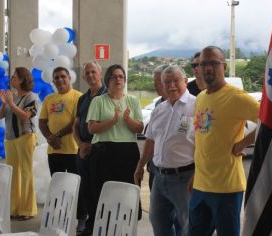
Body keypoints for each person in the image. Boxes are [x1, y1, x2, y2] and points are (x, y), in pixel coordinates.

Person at [189, 46, 260, 236]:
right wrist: (195, 175)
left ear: (224, 66)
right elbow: (203, 140)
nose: (208, 68)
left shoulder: (236, 97)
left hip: (227, 188)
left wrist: (243, 143)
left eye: (214, 63)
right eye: (203, 64)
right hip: (200, 185)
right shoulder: (201, 98)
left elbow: (269, 121)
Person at [134, 65, 195, 236]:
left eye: (176, 80)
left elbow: (205, 144)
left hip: (185, 178)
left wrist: (198, 174)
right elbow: (151, 139)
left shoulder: (197, 106)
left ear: (185, 81)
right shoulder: (159, 109)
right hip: (159, 178)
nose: (172, 85)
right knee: (158, 221)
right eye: (167, 82)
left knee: (188, 225)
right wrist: (140, 165)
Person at [87, 64, 144, 223]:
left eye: (121, 76)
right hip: (104, 153)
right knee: (105, 195)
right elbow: (91, 128)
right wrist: (112, 121)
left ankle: (126, 228)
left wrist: (127, 119)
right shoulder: (98, 101)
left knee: (128, 193)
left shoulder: (132, 100)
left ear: (125, 80)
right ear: (107, 80)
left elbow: (140, 128)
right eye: (114, 76)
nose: (118, 79)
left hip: (128, 152)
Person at [0, 67, 38, 221]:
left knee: (26, 173)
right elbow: (0, 115)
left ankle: (28, 209)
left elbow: (25, 117)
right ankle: (14, 208)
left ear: (22, 79)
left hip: (25, 137)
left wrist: (11, 104)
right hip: (10, 139)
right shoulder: (11, 97)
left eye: (14, 77)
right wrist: (3, 104)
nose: (11, 79)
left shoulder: (30, 97)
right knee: (13, 174)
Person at [73, 61, 106, 235]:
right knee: (85, 190)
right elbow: (75, 125)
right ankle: (88, 225)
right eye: (87, 73)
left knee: (98, 191)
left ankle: (98, 227)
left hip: (100, 152)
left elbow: (109, 125)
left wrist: (90, 145)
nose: (91, 75)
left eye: (94, 72)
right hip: (83, 151)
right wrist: (80, 144)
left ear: (100, 74)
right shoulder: (82, 98)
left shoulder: (108, 95)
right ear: (84, 77)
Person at [39, 67, 82, 175]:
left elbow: (76, 121)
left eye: (63, 76)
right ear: (53, 81)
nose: (59, 79)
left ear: (69, 78)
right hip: (54, 150)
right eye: (56, 78)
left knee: (75, 185)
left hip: (73, 151)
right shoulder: (48, 99)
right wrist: (50, 138)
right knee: (57, 185)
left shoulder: (78, 97)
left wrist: (57, 135)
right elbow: (42, 122)